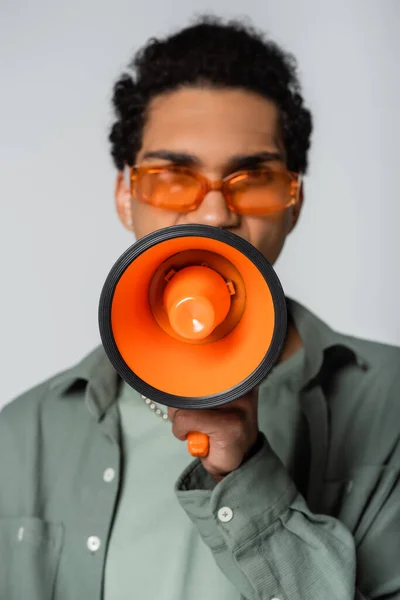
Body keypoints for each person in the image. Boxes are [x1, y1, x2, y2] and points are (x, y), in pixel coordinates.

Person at [0, 15, 399, 600]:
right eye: (172, 177)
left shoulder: (391, 404)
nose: (214, 215)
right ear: (125, 195)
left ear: (295, 202)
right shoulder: (21, 434)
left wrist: (244, 472)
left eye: (254, 177)